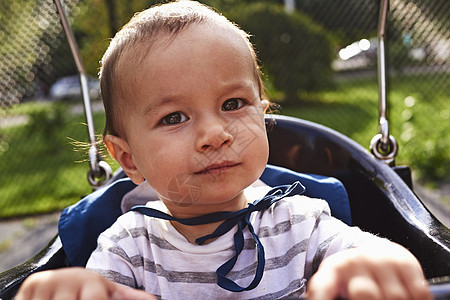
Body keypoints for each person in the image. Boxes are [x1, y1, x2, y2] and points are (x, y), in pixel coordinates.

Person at [17, 1, 432, 299]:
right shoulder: (128, 247)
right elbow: (101, 290)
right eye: (174, 117)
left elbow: (366, 248)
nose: (214, 135)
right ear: (128, 159)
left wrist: (370, 263)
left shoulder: (298, 220)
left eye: (233, 105)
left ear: (263, 117)